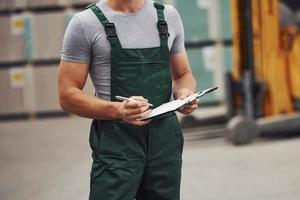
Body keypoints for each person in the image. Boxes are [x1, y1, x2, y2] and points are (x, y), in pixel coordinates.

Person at [58, 0, 198, 199]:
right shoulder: (85, 23)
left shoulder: (168, 17)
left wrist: (184, 94)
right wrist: (118, 110)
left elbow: (183, 74)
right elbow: (67, 95)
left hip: (165, 140)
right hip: (117, 142)